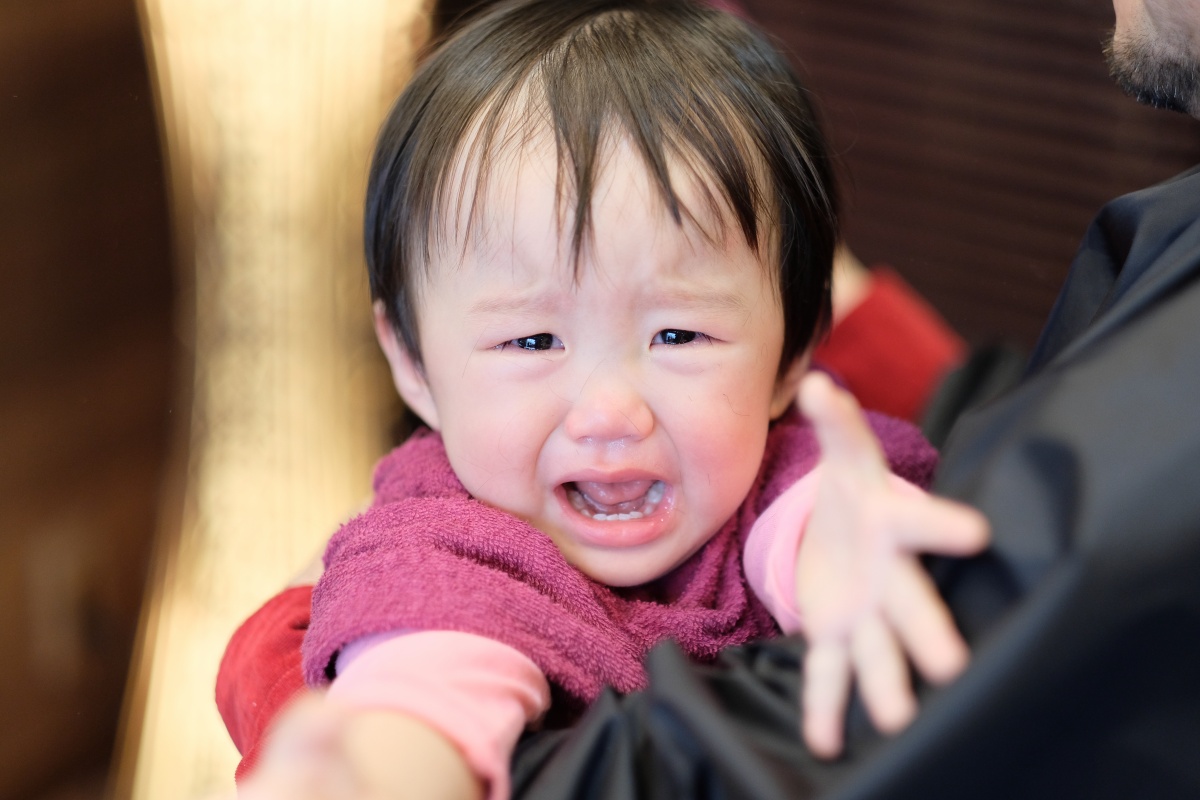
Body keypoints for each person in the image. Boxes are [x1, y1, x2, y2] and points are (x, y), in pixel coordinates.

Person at [218, 1, 990, 798]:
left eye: (678, 336)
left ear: (794, 353)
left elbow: (824, 521)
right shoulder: (442, 550)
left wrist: (854, 564)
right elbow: (428, 691)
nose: (611, 413)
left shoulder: (791, 471)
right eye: (532, 342)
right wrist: (371, 773)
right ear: (413, 365)